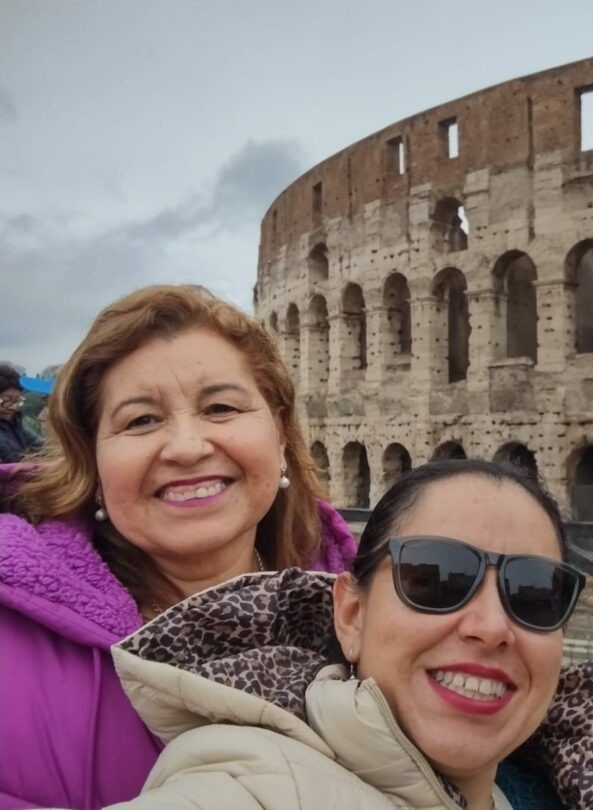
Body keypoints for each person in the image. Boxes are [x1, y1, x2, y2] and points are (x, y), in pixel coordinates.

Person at [107, 460, 593, 809]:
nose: (491, 627)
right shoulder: (260, 786)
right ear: (351, 616)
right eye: (436, 577)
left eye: (535, 592)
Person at [0, 286, 357, 810]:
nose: (188, 447)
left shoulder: (374, 611)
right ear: (92, 462)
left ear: (280, 436)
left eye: (220, 407)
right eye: (141, 420)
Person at [0, 364, 43, 463]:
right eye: (7, 399)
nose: (13, 406)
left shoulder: (15, 426)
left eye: (17, 400)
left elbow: (41, 445)